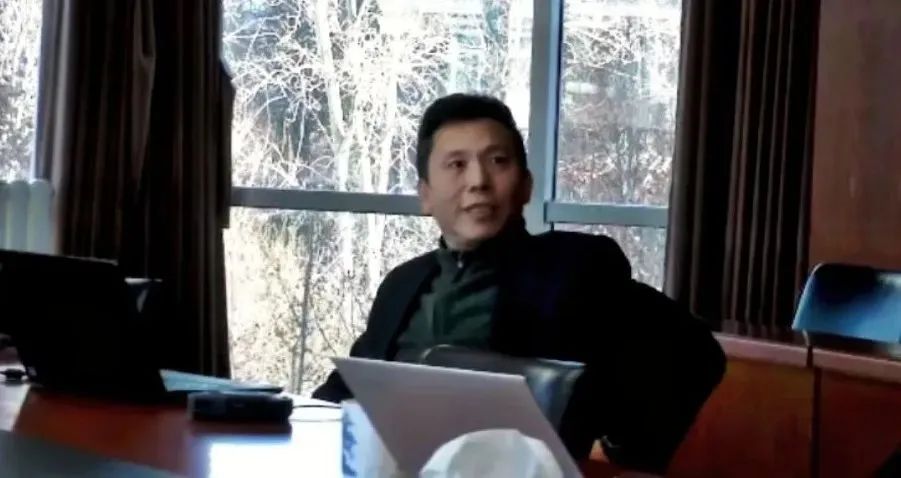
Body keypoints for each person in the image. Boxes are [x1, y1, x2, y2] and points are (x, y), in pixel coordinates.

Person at [313, 93, 725, 473]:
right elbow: (346, 391)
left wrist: (624, 459)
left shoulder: (576, 270)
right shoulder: (403, 284)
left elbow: (697, 355)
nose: (478, 180)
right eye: (457, 165)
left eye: (497, 161)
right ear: (425, 195)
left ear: (526, 185)